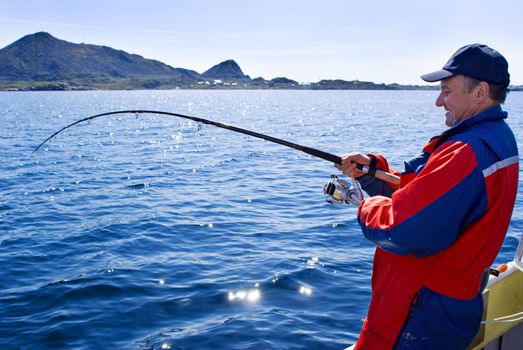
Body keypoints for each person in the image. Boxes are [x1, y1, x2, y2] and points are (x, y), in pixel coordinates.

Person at [337, 44, 519, 349]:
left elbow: (404, 230)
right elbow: (437, 198)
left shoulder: (464, 151)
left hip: (418, 311)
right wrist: (374, 172)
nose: (439, 101)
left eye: (447, 91)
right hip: (451, 306)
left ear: (480, 92)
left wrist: (367, 204)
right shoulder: (497, 137)